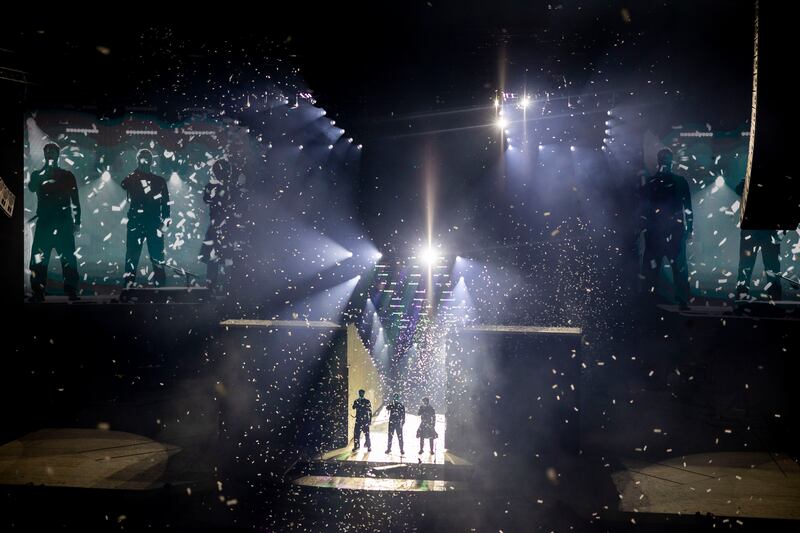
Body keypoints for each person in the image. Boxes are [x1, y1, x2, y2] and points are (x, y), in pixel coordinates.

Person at [638, 148, 693, 310]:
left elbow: (643, 209)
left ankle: (648, 299)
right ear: (671, 161)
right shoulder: (679, 181)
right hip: (673, 231)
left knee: (652, 267)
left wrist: (643, 226)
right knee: (678, 267)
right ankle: (681, 300)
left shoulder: (650, 182)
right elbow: (688, 207)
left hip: (657, 231)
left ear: (658, 160)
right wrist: (689, 227)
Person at [28, 143, 81, 301]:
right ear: (45, 154)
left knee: (68, 259)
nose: (50, 153)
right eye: (47, 151)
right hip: (45, 224)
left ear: (58, 155)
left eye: (53, 151)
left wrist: (77, 221)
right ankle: (38, 291)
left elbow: (75, 200)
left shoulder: (67, 175)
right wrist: (42, 173)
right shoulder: (38, 174)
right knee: (38, 258)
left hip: (63, 224)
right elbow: (31, 187)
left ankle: (71, 290)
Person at [121, 149, 171, 287]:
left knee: (157, 256)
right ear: (138, 160)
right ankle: (128, 286)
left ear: (152, 161)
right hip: (136, 222)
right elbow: (123, 183)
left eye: (147, 157)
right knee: (132, 256)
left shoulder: (159, 181)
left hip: (154, 223)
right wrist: (138, 171)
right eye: (142, 158)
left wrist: (166, 221)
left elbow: (166, 203)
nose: (145, 160)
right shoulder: (132, 178)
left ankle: (160, 287)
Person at [734, 178, 782, 300]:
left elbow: (739, 189)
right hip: (762, 230)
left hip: (761, 229)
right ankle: (773, 296)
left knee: (754, 265)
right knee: (767, 265)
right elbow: (739, 189)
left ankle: (744, 294)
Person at [200, 159, 235, 291]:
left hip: (226, 226)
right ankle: (212, 286)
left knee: (226, 258)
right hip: (219, 226)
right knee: (215, 258)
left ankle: (228, 287)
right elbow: (206, 199)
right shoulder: (212, 186)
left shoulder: (230, 187)